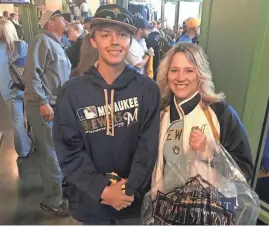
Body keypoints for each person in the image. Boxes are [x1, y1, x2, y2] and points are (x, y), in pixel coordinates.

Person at [53, 4, 160, 224]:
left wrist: (128, 189)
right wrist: (102, 189)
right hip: (90, 203)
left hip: (133, 202)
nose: (114, 42)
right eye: (105, 34)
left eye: (122, 34)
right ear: (93, 41)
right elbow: (69, 149)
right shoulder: (72, 92)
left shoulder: (148, 89)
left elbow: (148, 146)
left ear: (130, 40)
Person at [153, 43, 254, 189]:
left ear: (200, 74)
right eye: (174, 70)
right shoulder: (161, 112)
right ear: (166, 74)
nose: (181, 77)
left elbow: (245, 169)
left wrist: (210, 151)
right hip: (161, 206)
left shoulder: (220, 113)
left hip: (204, 208)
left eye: (189, 71)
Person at [22, 10, 71, 216]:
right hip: (44, 107)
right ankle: (53, 200)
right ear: (50, 22)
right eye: (61, 17)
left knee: (56, 150)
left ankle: (58, 189)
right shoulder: (41, 40)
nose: (66, 20)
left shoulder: (60, 44)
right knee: (48, 153)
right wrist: (42, 101)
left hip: (56, 106)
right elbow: (31, 74)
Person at [0, 19, 32, 179]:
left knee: (17, 120)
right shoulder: (22, 45)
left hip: (9, 90)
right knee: (31, 114)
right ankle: (34, 138)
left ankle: (24, 150)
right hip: (25, 87)